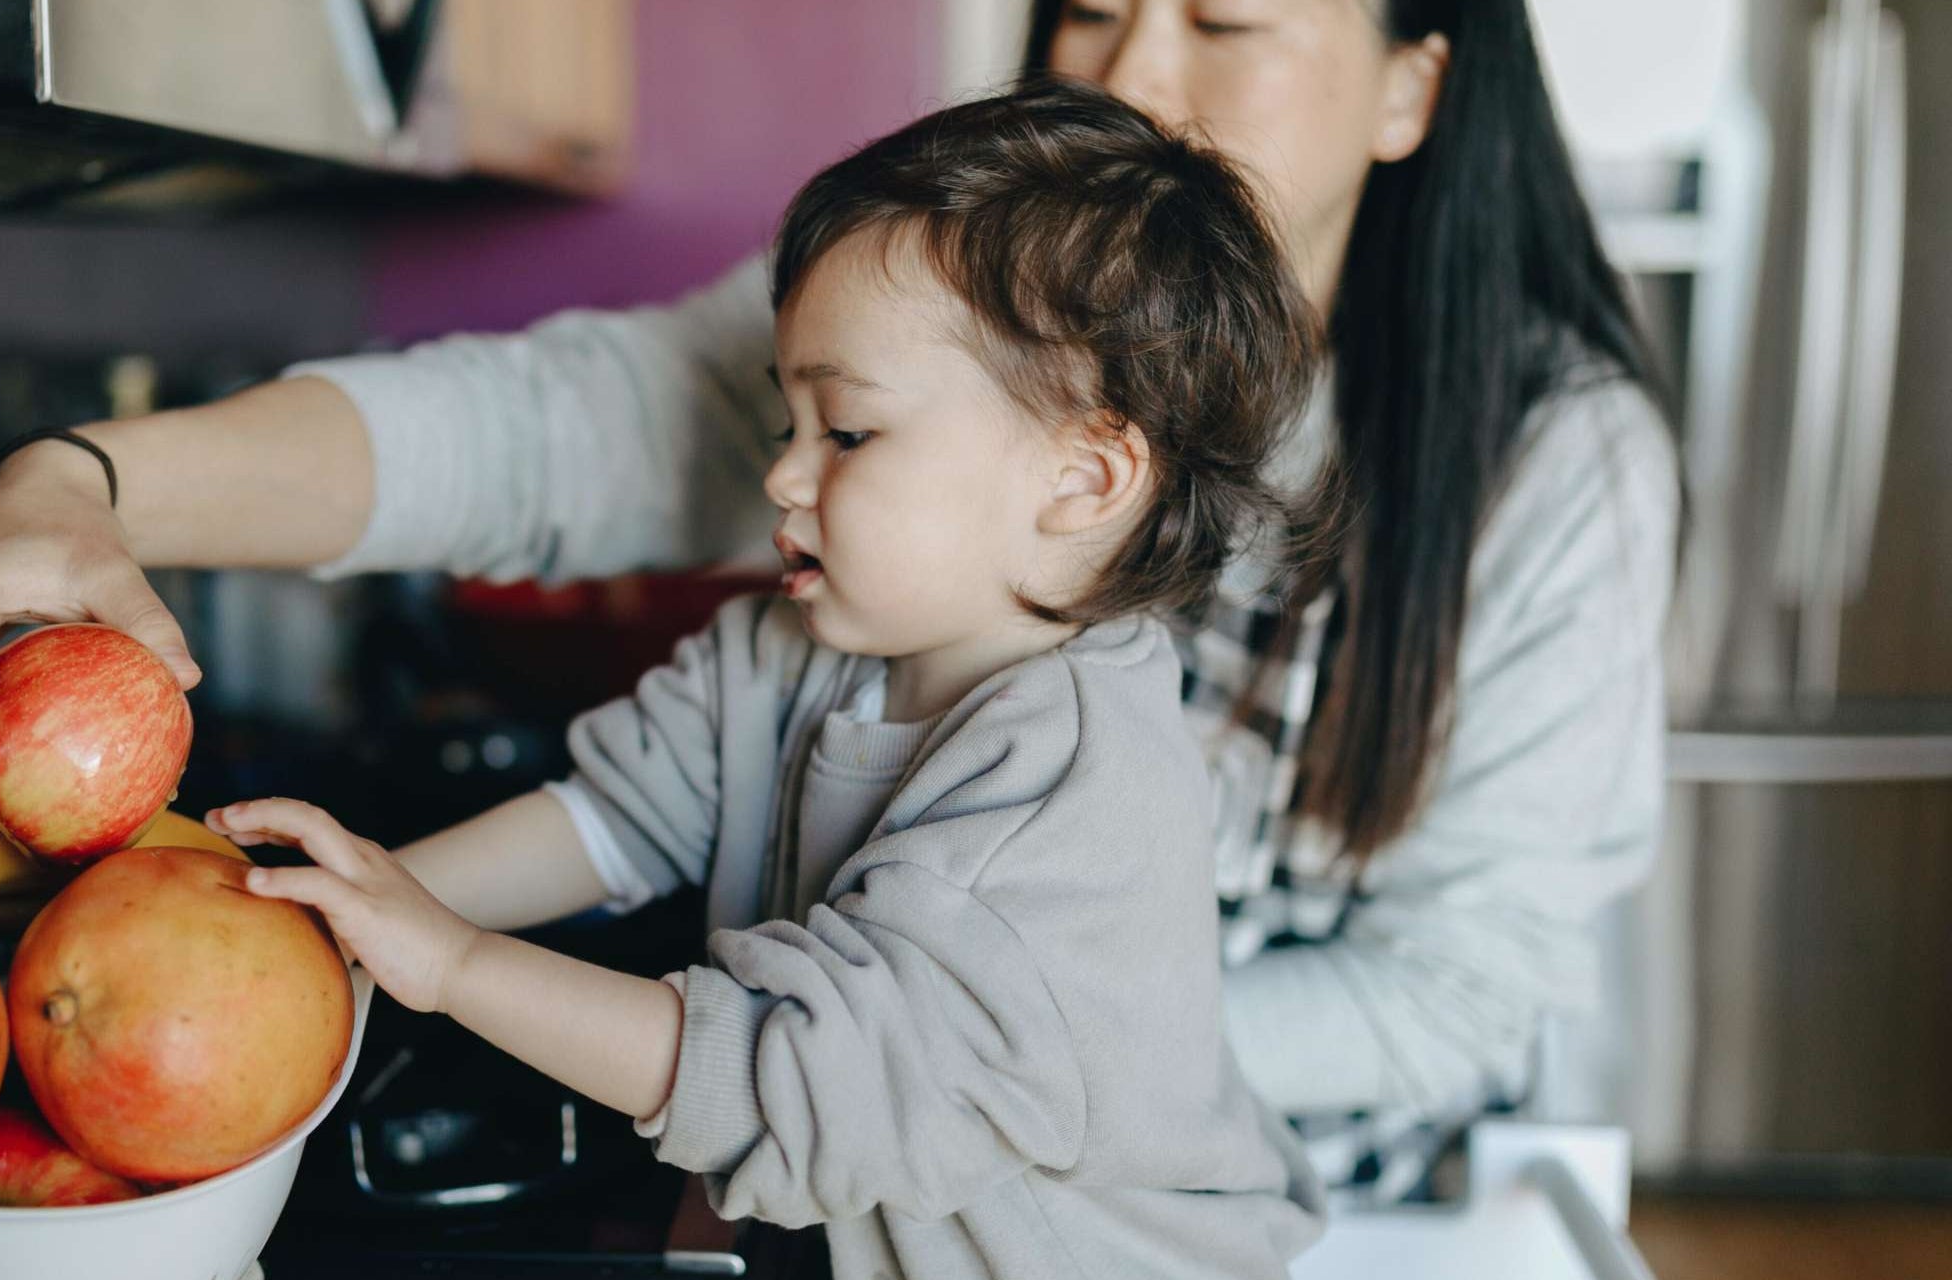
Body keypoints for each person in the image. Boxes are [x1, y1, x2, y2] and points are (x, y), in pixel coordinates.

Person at [0, 0, 1678, 1204]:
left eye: (1224, 19)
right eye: (1092, 6)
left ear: (1416, 81)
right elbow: (554, 446)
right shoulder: (908, 392)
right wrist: (80, 486)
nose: (1138, 77)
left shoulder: (1542, 461)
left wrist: (1014, 1055)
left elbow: (1448, 991)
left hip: (1257, 1208)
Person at [207, 82, 1327, 1279]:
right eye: (789, 422)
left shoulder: (1066, 797)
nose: (785, 478)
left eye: (845, 432)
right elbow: (615, 815)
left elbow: (772, 1074)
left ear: (1083, 479)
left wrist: (454, 964)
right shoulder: (791, 651)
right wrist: (360, 918)